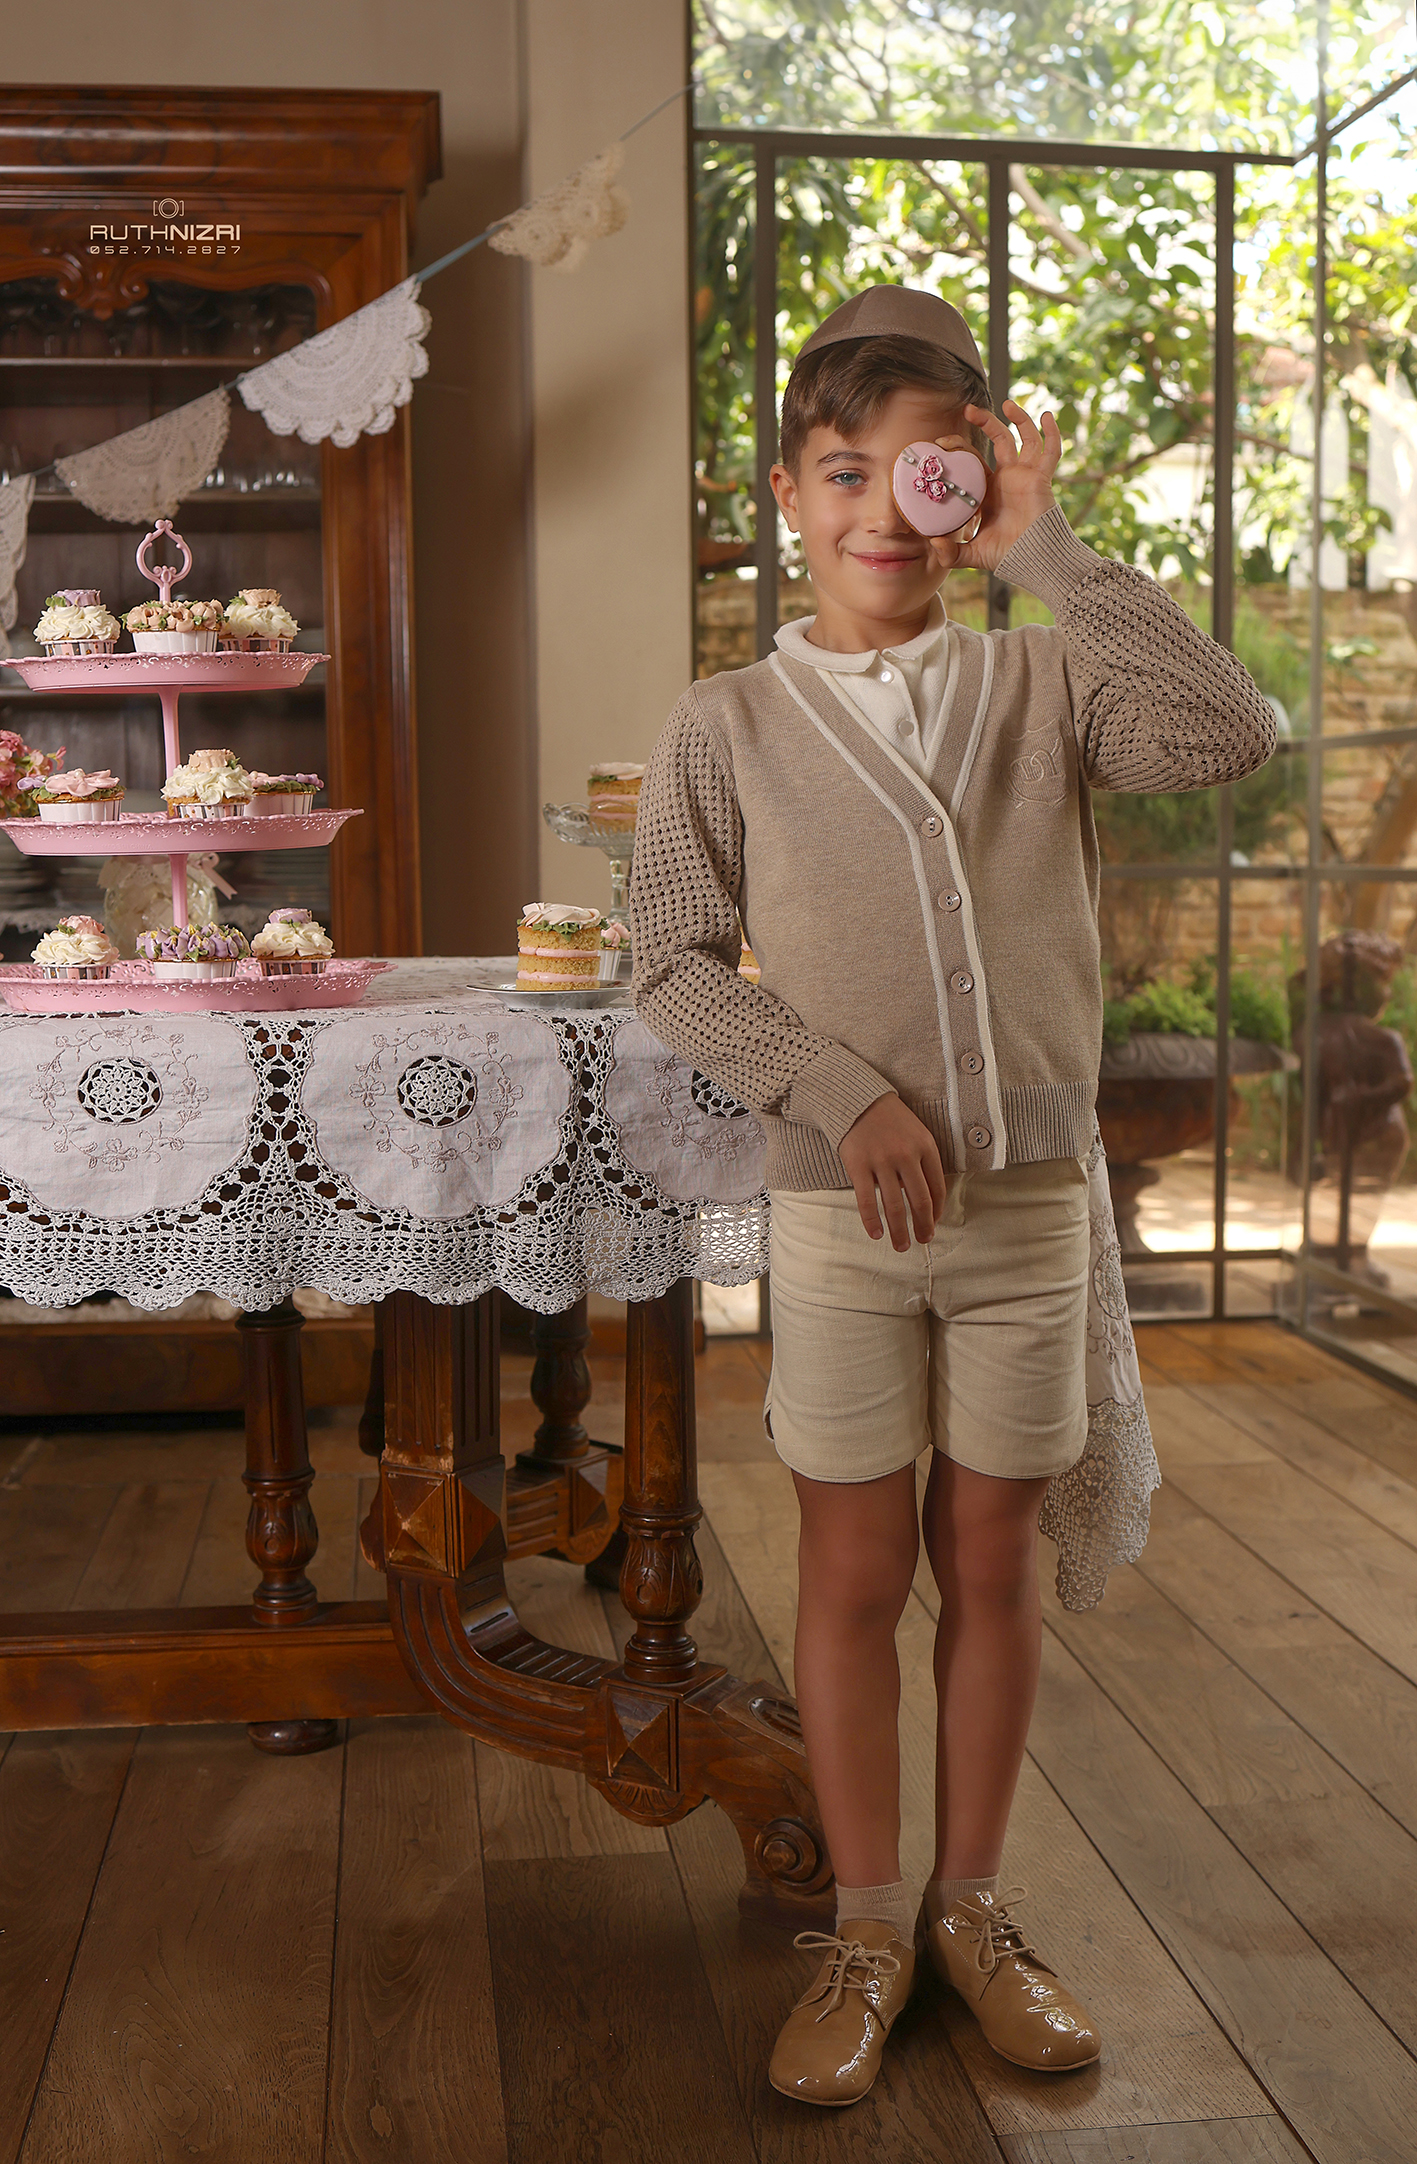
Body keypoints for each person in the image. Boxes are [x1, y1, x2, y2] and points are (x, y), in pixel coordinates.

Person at [629, 284, 1275, 2107]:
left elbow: (1230, 730)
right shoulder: (725, 724)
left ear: (967, 487)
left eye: (921, 473)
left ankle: (973, 1911)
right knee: (850, 1569)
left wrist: (1047, 552)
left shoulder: (1041, 682)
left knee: (988, 1560)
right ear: (785, 491)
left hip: (1029, 1212)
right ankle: (865, 1927)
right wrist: (838, 1098)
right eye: (840, 473)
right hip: (841, 1220)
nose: (876, 512)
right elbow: (667, 959)